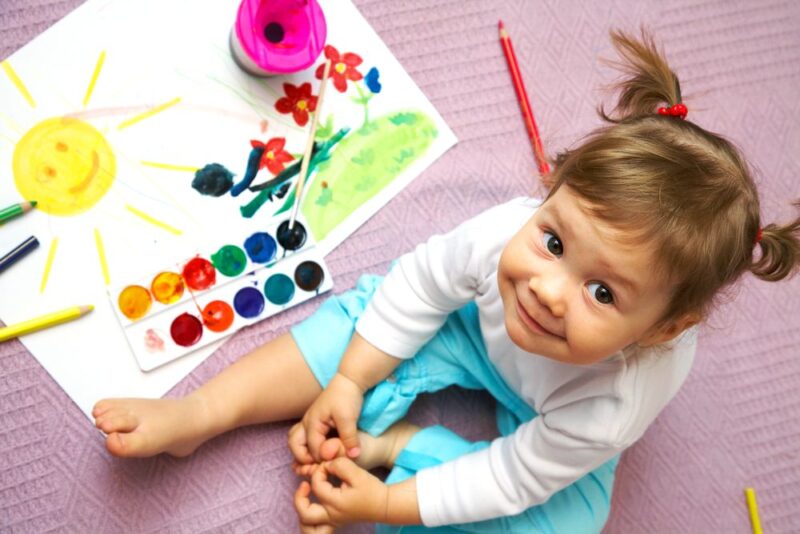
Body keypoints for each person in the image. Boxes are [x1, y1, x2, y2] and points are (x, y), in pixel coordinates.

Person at [92, 29, 800, 533]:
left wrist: (383, 503)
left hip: (553, 418)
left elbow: (510, 479)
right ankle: (203, 416)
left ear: (663, 328)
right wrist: (346, 382)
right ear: (547, 195)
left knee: (566, 520)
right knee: (363, 321)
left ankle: (395, 445)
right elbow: (418, 291)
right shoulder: (504, 236)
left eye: (604, 293)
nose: (549, 292)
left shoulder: (611, 406)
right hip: (471, 333)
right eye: (554, 241)